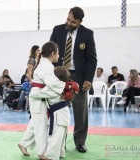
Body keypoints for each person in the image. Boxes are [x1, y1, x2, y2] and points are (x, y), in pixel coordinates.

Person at [50, 6, 97, 153]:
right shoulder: (57, 30)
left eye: (73, 22)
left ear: (80, 21)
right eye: (68, 19)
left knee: (80, 112)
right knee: (58, 110)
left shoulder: (87, 34)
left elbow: (92, 59)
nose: (69, 23)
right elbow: (50, 55)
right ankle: (59, 141)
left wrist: (89, 79)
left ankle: (80, 142)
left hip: (79, 77)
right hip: (60, 75)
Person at [18, 42, 66, 159]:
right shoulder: (46, 66)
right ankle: (42, 152)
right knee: (41, 126)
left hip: (39, 97)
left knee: (35, 123)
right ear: (53, 53)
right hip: (38, 98)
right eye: (58, 53)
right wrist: (66, 86)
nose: (59, 55)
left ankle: (24, 143)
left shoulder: (45, 64)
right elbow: (53, 83)